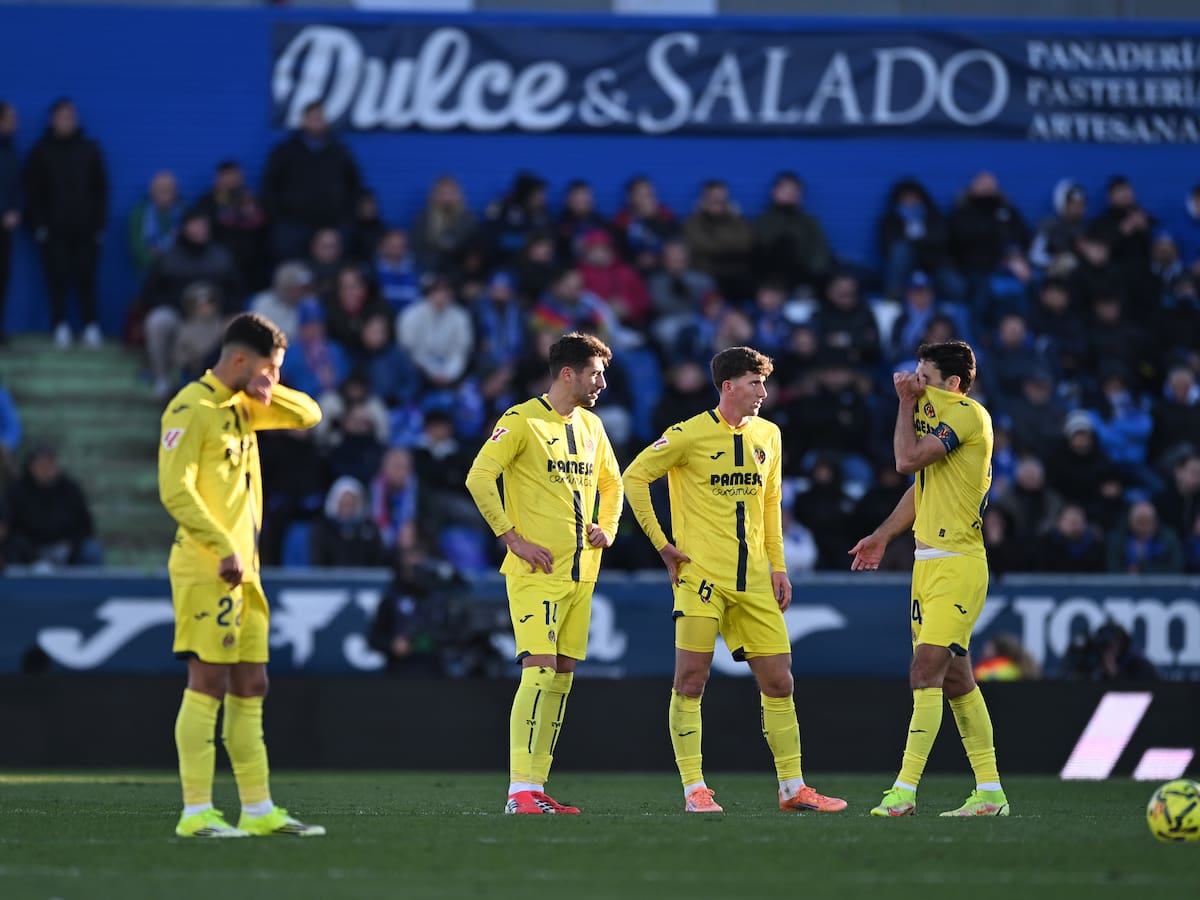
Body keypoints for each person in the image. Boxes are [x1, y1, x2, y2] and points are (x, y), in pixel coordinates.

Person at [622, 346, 845, 815]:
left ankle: (793, 788)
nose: (763, 392)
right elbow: (634, 478)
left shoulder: (770, 435)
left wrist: (779, 566)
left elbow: (770, 505)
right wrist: (663, 544)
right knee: (691, 679)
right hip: (701, 576)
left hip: (756, 581)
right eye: (754, 383)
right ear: (728, 387)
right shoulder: (687, 435)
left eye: (764, 383)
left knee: (780, 682)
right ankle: (694, 789)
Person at [158, 313, 324, 838]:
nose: (273, 377)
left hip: (244, 571)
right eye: (269, 367)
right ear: (237, 359)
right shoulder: (190, 407)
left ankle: (257, 810)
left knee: (252, 682)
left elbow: (309, 416)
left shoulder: (245, 407)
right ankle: (196, 812)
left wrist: (270, 388)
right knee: (207, 681)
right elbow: (175, 490)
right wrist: (222, 544)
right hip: (207, 565)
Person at [848, 340, 1009, 818]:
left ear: (953, 385)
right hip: (927, 564)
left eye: (925, 378)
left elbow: (906, 460)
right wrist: (881, 536)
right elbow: (920, 488)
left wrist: (904, 404)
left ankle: (904, 790)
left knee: (925, 671)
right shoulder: (938, 417)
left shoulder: (967, 415)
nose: (915, 385)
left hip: (959, 564)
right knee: (958, 680)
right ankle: (990, 793)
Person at [464, 332, 623, 815]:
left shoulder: (593, 427)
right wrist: (511, 536)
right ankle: (518, 790)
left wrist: (607, 528)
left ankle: (535, 785)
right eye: (595, 373)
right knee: (540, 670)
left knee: (562, 676)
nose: (602, 382)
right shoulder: (521, 420)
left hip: (581, 573)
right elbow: (478, 476)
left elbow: (613, 484)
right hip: (535, 571)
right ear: (567, 373)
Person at [22, 97, 108, 349]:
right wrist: (39, 225)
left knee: (86, 277)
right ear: (52, 120)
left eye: (70, 117)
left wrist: (98, 224)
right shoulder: (40, 151)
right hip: (53, 230)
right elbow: (32, 191)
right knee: (56, 277)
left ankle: (91, 325)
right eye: (62, 117)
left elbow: (100, 188)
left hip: (86, 229)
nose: (66, 121)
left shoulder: (90, 149)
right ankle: (59, 325)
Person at [0, 101, 21, 346]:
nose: (15, 123)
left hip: (5, 227)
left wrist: (15, 210)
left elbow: (16, 187)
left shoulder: (12, 152)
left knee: (3, 277)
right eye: (10, 118)